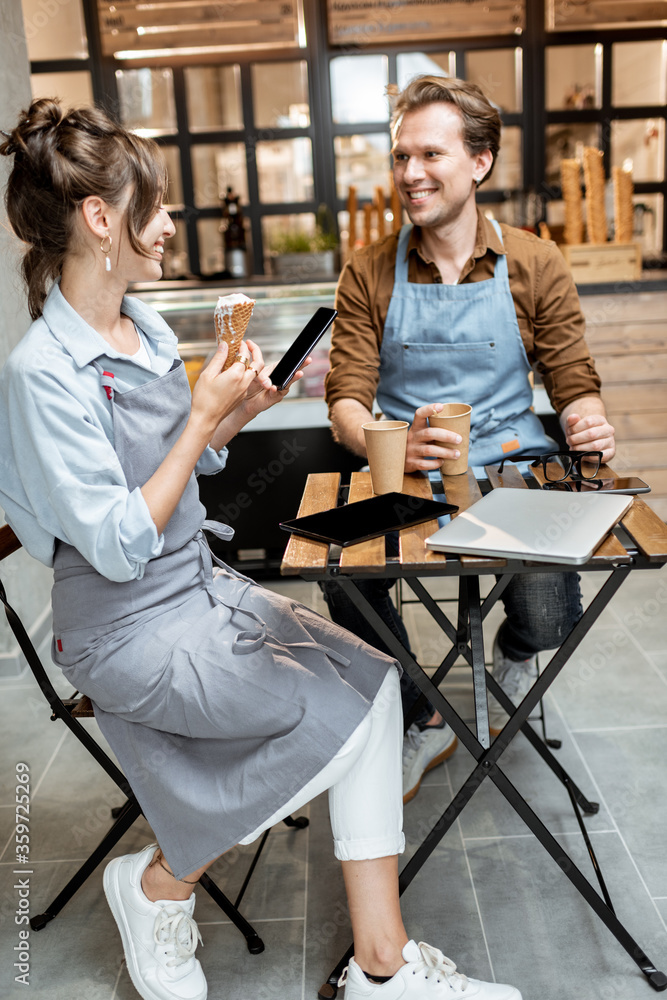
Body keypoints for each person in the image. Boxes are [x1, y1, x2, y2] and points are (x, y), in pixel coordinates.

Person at [0, 100, 523, 1000]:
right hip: (123, 629)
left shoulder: (149, 327)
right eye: (154, 208)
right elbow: (121, 543)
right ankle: (162, 882)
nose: (168, 226)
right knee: (349, 721)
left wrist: (232, 413)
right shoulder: (41, 373)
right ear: (99, 219)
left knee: (376, 683)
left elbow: (188, 467)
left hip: (199, 587)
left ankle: (379, 968)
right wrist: (202, 415)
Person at [323, 75, 616, 803]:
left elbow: (572, 376)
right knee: (341, 579)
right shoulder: (366, 270)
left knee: (549, 607)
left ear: (479, 161)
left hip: (512, 464)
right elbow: (345, 401)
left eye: (429, 155)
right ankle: (422, 714)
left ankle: (515, 653)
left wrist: (584, 416)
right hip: (402, 471)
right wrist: (381, 439)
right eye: (400, 157)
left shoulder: (536, 262)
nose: (410, 174)